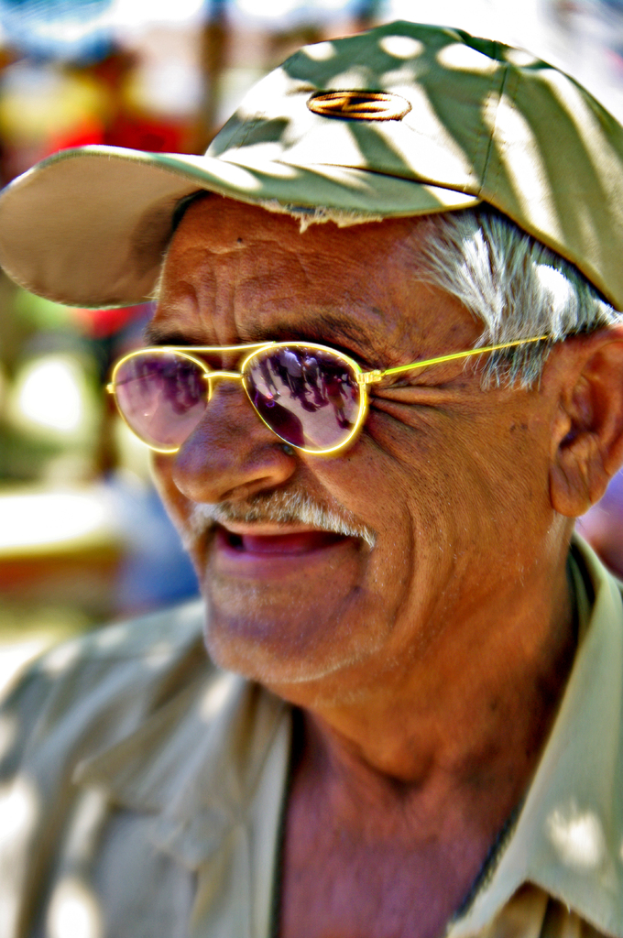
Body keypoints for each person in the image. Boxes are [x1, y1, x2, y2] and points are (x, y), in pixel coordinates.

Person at [1, 19, 623, 938]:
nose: (206, 468)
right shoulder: (58, 737)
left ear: (582, 421)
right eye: (172, 376)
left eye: (313, 377)